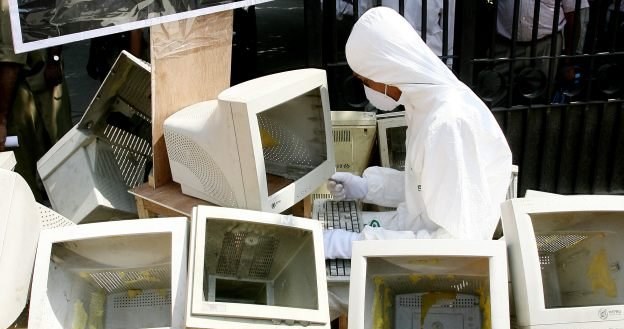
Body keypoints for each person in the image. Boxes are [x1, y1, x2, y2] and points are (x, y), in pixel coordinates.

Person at [323, 6, 513, 258]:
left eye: (366, 81)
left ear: (387, 71)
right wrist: (368, 187)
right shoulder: (424, 103)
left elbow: (457, 244)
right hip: (421, 236)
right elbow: (425, 186)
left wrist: (354, 245)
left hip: (442, 264)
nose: (366, 89)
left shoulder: (446, 124)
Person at [1, 0, 72, 202]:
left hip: (27, 88)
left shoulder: (6, 6)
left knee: (42, 162)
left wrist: (1, 121)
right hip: (32, 82)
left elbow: (10, 62)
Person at [492, 0, 590, 105]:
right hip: (505, 43)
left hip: (545, 45)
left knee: (539, 99)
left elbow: (573, 18)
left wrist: (568, 60)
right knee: (494, 95)